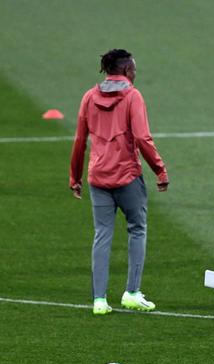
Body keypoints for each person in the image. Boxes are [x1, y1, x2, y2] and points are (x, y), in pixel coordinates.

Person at [69, 49, 169, 315]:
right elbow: (143, 138)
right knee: (137, 229)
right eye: (133, 69)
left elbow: (79, 141)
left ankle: (99, 300)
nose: (135, 73)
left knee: (102, 234)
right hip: (127, 177)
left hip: (98, 178)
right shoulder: (132, 96)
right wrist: (160, 170)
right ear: (126, 71)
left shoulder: (89, 97)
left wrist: (74, 176)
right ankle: (132, 293)